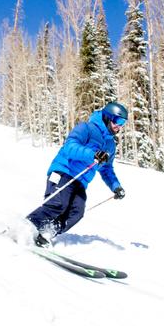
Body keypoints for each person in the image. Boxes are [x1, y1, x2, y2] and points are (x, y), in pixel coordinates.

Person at [23, 101, 127, 248]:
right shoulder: (86, 128)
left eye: (123, 123)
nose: (119, 126)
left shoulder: (110, 145)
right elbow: (70, 147)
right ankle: (25, 227)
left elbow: (106, 169)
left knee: (76, 212)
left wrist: (116, 186)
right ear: (107, 117)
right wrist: (93, 154)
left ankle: (46, 233)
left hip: (80, 181)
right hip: (64, 171)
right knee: (58, 204)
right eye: (118, 121)